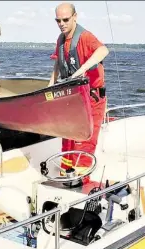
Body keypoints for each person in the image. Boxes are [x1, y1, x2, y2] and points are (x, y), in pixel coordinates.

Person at [48, 2, 109, 176]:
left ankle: (83, 177)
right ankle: (66, 172)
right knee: (67, 136)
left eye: (65, 19)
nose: (62, 24)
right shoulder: (61, 39)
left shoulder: (85, 37)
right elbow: (58, 64)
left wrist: (81, 71)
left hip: (92, 98)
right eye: (58, 20)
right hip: (73, 100)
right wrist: (49, 86)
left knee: (85, 139)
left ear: (75, 17)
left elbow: (103, 51)